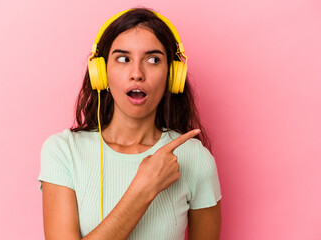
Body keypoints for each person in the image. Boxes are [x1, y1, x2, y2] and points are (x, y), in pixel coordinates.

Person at [38, 7, 222, 240]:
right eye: (123, 59)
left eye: (153, 60)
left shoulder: (194, 158)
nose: (137, 73)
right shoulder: (63, 151)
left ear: (172, 76)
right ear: (101, 73)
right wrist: (143, 189)